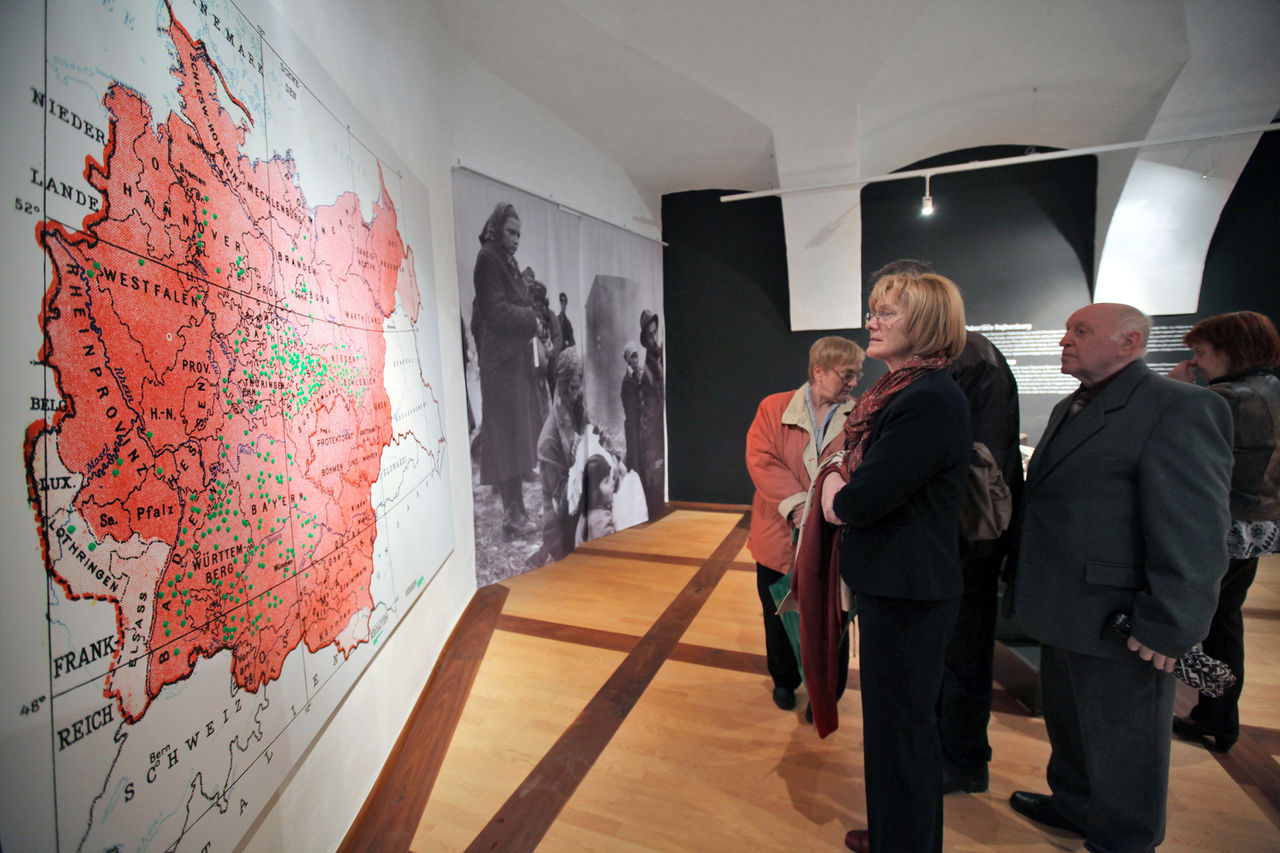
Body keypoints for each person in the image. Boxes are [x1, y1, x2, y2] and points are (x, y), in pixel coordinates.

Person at [1008, 302, 1233, 852]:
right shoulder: (1073, 406)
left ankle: (1124, 839)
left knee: (1125, 740)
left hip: (1121, 617)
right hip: (1067, 603)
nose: (1065, 340)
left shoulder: (1178, 407)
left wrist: (1170, 624)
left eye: (1080, 331)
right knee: (1072, 724)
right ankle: (1076, 804)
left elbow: (1194, 528)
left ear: (1130, 342)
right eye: (1066, 330)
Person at [819, 271, 971, 853]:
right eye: (873, 311)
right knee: (891, 726)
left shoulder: (927, 398)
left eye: (886, 314)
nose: (870, 324)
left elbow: (862, 500)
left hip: (910, 588)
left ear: (927, 325)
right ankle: (893, 835)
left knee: (902, 729)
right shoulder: (906, 393)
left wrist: (833, 485)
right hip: (899, 583)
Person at [1166, 311, 1280, 754]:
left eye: (1201, 353)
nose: (1196, 362)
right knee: (1225, 621)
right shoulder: (1268, 390)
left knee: (1189, 621)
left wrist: (1175, 386)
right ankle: (1217, 714)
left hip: (1221, 527)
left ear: (1230, 351)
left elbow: (1172, 433)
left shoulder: (1229, 397)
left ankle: (1209, 711)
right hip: (1258, 526)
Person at [746, 336, 864, 712]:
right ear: (818, 371)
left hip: (832, 544)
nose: (853, 383)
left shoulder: (859, 414)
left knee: (833, 621)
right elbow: (762, 460)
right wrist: (799, 507)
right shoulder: (773, 408)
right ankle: (784, 679)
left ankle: (825, 693)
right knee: (779, 616)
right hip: (777, 540)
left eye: (856, 375)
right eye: (847, 375)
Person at [472, 202, 541, 538]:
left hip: (512, 365)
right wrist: (532, 320)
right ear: (498, 229)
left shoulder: (506, 262)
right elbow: (496, 312)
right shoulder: (488, 259)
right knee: (504, 440)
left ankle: (518, 512)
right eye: (511, 232)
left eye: (519, 234)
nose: (516, 239)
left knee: (514, 438)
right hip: (499, 368)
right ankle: (512, 515)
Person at [638, 310, 666, 519]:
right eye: (650, 336)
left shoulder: (661, 358)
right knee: (655, 474)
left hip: (663, 427)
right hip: (653, 431)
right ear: (645, 341)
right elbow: (647, 411)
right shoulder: (647, 369)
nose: (654, 339)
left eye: (655, 333)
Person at [620, 342, 643, 473]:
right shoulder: (628, 381)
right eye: (632, 357)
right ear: (628, 360)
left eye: (636, 356)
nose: (635, 360)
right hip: (632, 425)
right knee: (635, 460)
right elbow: (632, 407)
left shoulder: (636, 375)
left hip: (638, 423)